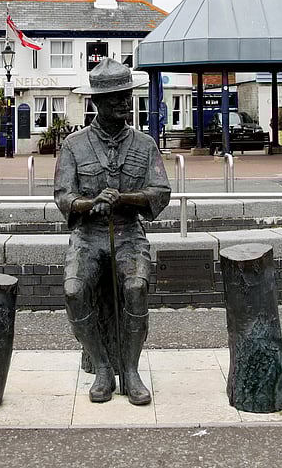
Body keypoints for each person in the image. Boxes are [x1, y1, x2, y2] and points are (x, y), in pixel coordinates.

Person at [54, 58, 170, 406]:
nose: (125, 103)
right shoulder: (74, 145)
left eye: (127, 96)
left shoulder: (145, 144)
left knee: (136, 287)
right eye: (117, 98)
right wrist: (90, 205)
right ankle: (103, 367)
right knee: (74, 291)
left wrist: (125, 199)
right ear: (98, 103)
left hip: (127, 232)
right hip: (88, 236)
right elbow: (63, 195)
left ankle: (130, 370)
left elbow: (160, 192)